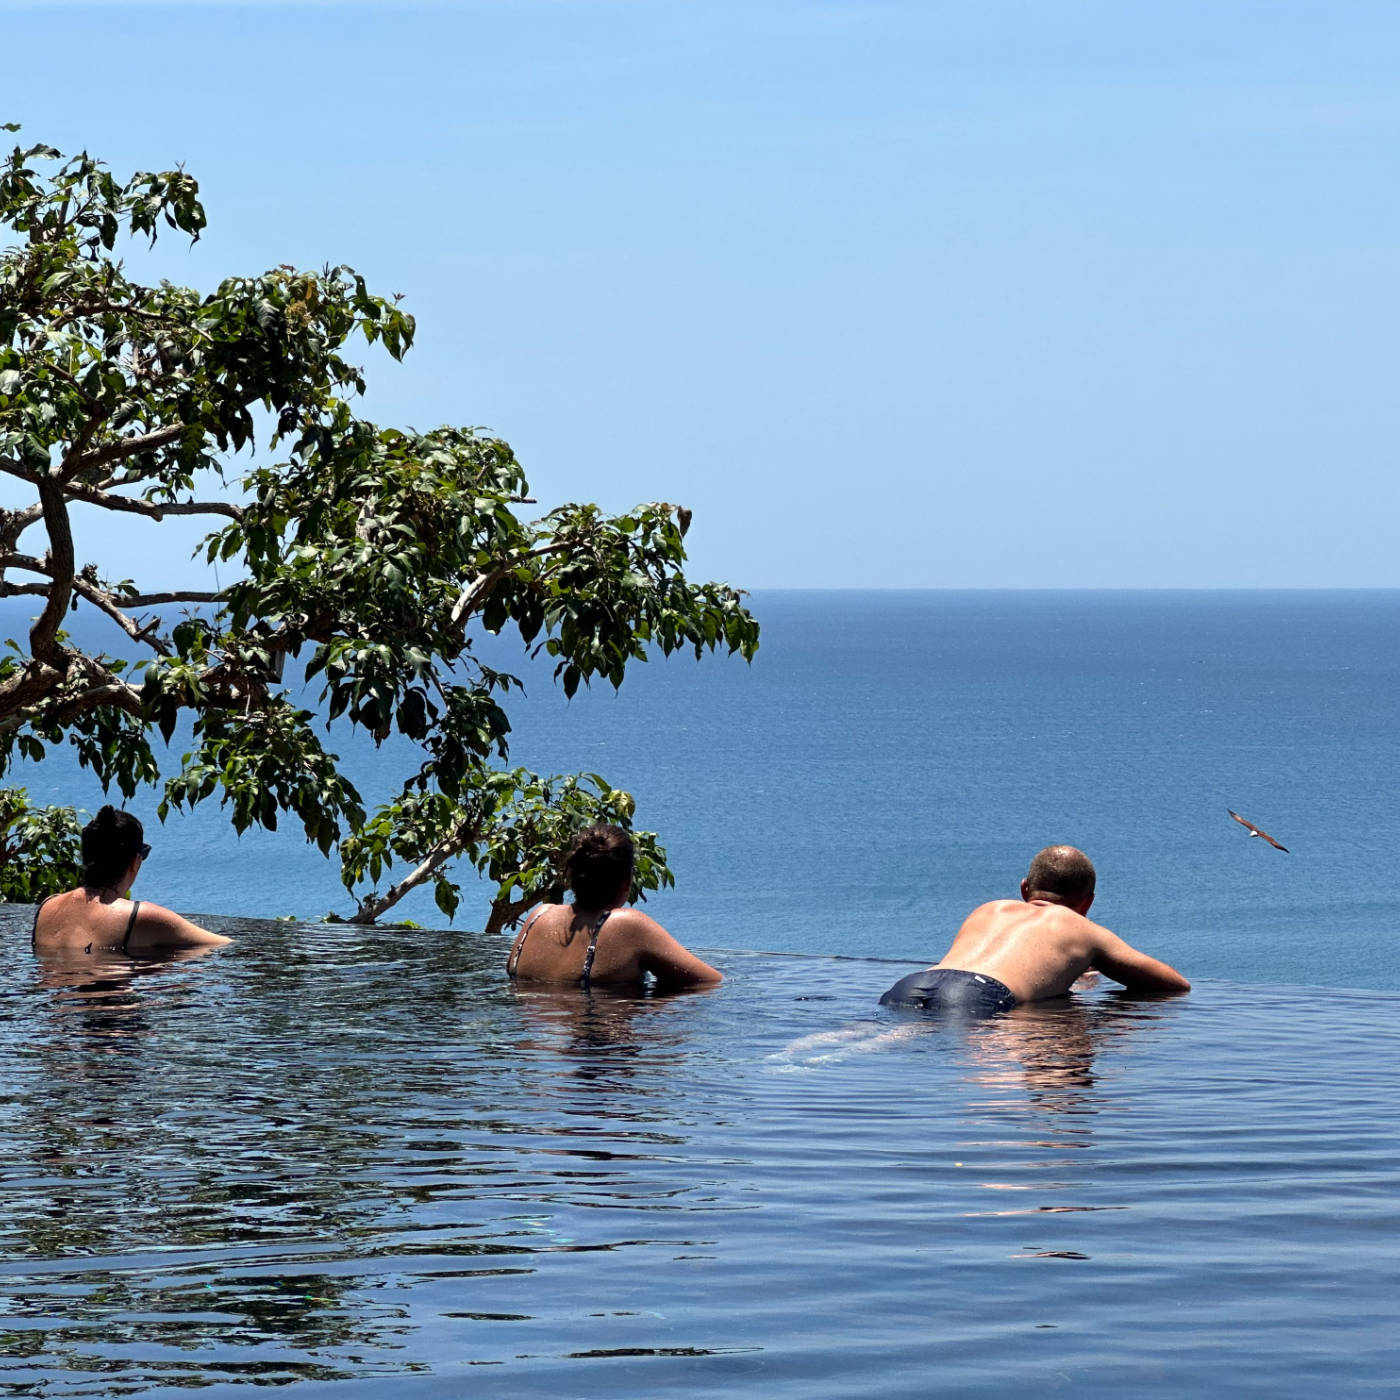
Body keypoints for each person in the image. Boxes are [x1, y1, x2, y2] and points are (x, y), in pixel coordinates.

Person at [880, 845, 1189, 1014]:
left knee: (876, 1037)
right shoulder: (1083, 929)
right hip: (978, 996)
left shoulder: (990, 908)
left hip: (912, 984)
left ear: (1024, 888)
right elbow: (1175, 985)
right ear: (1088, 902)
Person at [506, 825, 722, 989]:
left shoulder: (539, 916)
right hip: (605, 1045)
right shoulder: (626, 925)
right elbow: (711, 983)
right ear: (625, 882)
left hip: (531, 1044)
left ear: (571, 877)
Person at [31, 806, 230, 956]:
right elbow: (222, 945)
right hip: (115, 1008)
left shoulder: (47, 907)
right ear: (135, 861)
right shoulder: (141, 917)